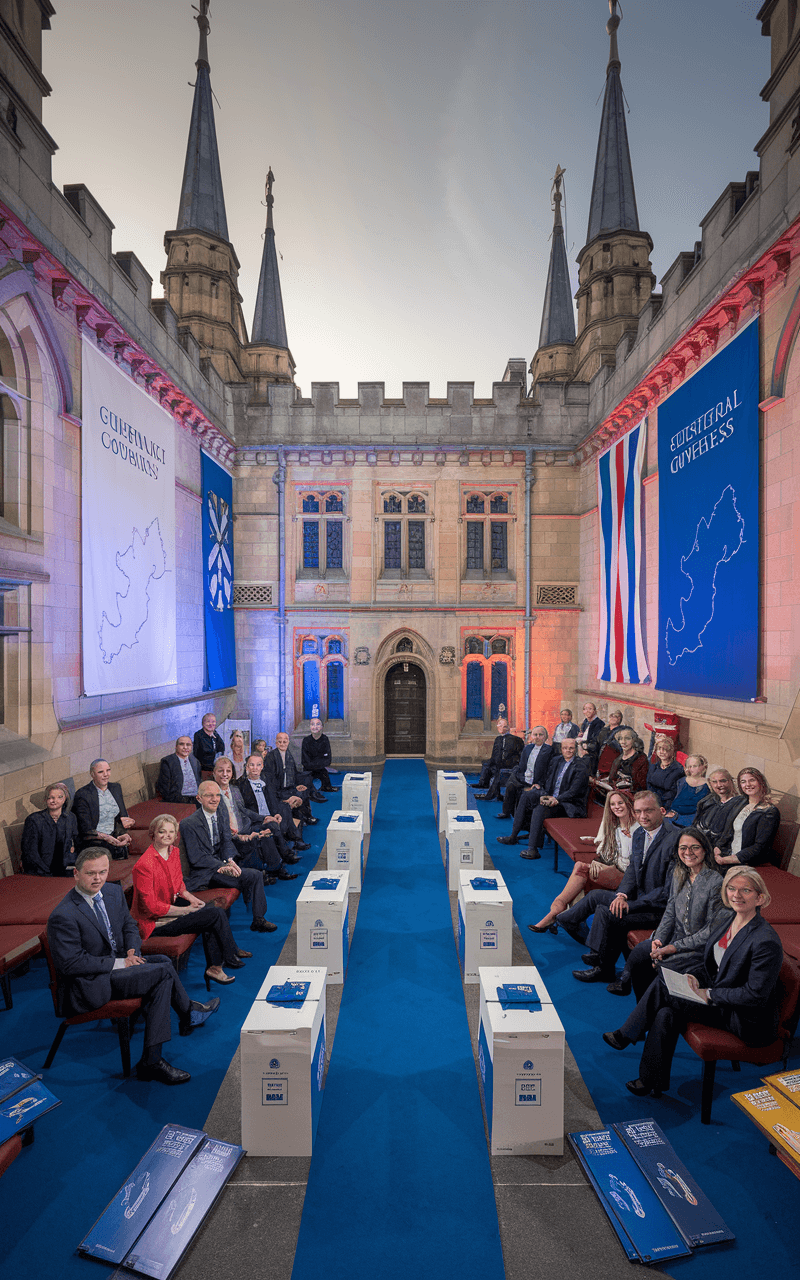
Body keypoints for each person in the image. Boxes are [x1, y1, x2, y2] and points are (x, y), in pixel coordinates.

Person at [603, 867, 783, 1100]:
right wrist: (696, 978)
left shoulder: (765, 941)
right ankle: (651, 1080)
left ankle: (627, 1033)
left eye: (745, 890)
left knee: (663, 988)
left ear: (760, 898)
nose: (736, 894)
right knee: (666, 1011)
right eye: (731, 888)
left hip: (745, 1017)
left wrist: (708, 993)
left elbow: (754, 996)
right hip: (721, 997)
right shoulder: (730, 919)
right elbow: (715, 965)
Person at [47, 847, 219, 1084]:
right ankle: (183, 1018)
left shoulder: (112, 892)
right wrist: (120, 962)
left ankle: (153, 1058)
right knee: (162, 972)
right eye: (91, 873)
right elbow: (71, 964)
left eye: (103, 872)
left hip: (118, 964)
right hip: (91, 981)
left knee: (162, 964)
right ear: (76, 874)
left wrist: (132, 950)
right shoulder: (63, 915)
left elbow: (129, 925)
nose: (98, 878)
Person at [570, 791, 679, 984]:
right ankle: (603, 965)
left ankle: (602, 963)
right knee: (607, 905)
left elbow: (666, 890)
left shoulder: (675, 839)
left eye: (648, 811)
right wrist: (621, 894)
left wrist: (632, 904)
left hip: (661, 908)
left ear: (662, 811)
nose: (642, 816)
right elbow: (631, 871)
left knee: (609, 913)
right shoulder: (639, 834)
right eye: (638, 812)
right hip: (641, 898)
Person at [131, 814, 249, 988]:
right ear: (153, 834)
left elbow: (179, 885)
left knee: (211, 910)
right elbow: (151, 907)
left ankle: (217, 965)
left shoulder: (173, 852)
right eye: (162, 832)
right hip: (154, 921)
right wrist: (186, 910)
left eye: (171, 832)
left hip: (171, 905)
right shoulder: (144, 865)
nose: (167, 835)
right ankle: (227, 956)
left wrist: (193, 900)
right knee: (214, 914)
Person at [609, 826, 722, 999]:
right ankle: (643, 1005)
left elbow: (709, 931)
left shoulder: (715, 882)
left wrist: (671, 948)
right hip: (673, 937)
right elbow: (670, 910)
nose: (688, 852)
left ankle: (653, 1011)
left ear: (705, 850)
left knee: (660, 965)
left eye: (695, 847)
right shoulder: (679, 873)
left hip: (696, 949)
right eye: (683, 848)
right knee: (641, 953)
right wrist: (659, 939)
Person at [529, 790, 638, 933]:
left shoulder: (637, 829)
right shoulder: (615, 826)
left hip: (627, 876)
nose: (616, 807)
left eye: (620, 803)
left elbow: (631, 863)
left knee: (583, 870)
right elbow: (607, 851)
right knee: (580, 867)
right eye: (612, 804)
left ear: (628, 804)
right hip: (613, 867)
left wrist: (605, 866)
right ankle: (559, 912)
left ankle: (556, 912)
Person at [180, 782, 277, 933]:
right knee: (251, 876)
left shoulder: (221, 813)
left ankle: (258, 919)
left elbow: (226, 841)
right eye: (209, 795)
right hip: (205, 872)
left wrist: (230, 860)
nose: (215, 799)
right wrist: (222, 866)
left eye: (217, 795)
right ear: (199, 798)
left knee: (254, 875)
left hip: (221, 863)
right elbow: (197, 858)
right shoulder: (189, 823)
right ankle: (247, 921)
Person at [497, 737, 590, 860]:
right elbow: (547, 777)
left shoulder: (581, 766)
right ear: (561, 749)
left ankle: (532, 849)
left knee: (540, 808)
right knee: (527, 795)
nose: (568, 751)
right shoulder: (557, 760)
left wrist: (556, 799)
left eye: (571, 748)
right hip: (550, 795)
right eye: (565, 748)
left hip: (567, 804)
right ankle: (513, 836)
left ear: (576, 749)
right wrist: (539, 786)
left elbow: (574, 791)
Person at [212, 757, 299, 880]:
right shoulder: (211, 793)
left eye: (228, 771)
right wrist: (237, 835)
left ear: (232, 773)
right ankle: (275, 868)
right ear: (214, 773)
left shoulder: (234, 790)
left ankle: (275, 867)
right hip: (232, 835)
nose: (225, 774)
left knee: (268, 830)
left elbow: (243, 810)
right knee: (262, 836)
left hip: (245, 826)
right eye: (221, 771)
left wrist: (264, 818)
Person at [237, 752, 311, 848]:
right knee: (285, 814)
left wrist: (289, 797)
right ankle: (294, 840)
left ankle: (295, 838)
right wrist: (263, 818)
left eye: (258, 765)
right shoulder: (241, 785)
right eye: (251, 765)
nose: (255, 768)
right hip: (257, 816)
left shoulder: (266, 778)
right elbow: (244, 809)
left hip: (271, 811)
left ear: (262, 766)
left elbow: (276, 794)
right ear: (247, 767)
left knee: (285, 806)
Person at [714, 767, 780, 867]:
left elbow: (759, 847)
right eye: (743, 782)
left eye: (752, 780)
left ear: (761, 782)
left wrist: (727, 860)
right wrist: (718, 847)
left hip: (748, 862)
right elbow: (728, 830)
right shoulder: (741, 802)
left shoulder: (769, 811)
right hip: (728, 854)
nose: (748, 785)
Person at [73, 760, 136, 857]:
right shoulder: (83, 794)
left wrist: (124, 832)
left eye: (108, 770)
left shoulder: (116, 788)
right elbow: (85, 829)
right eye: (100, 772)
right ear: (92, 774)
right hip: (93, 840)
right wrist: (108, 838)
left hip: (113, 834)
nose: (106, 774)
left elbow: (121, 816)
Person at [20, 783, 79, 876]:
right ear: (45, 799)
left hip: (64, 867)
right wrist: (46, 872)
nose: (54, 801)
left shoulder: (70, 818)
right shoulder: (34, 820)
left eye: (59, 797)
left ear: (64, 799)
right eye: (50, 797)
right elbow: (31, 853)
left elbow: (77, 842)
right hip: (41, 870)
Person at [495, 726, 553, 820]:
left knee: (517, 786)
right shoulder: (528, 748)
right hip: (524, 777)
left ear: (545, 737)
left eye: (540, 735)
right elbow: (522, 765)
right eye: (535, 734)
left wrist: (540, 783)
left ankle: (519, 818)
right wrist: (520, 776)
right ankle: (506, 812)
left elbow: (549, 771)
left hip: (536, 781)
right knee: (510, 784)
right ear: (531, 736)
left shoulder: (549, 750)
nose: (537, 737)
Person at [265, 732, 319, 818]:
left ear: (288, 742)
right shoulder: (270, 756)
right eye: (279, 742)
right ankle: (299, 817)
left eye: (284, 741)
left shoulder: (289, 754)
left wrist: (297, 785)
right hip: (278, 791)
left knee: (303, 789)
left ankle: (306, 816)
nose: (282, 744)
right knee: (297, 795)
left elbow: (294, 773)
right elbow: (270, 780)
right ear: (276, 743)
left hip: (290, 787)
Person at [473, 718, 525, 799]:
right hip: (499, 763)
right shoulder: (498, 739)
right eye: (500, 726)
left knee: (498, 771)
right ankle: (483, 784)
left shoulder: (516, 740)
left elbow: (520, 755)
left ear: (508, 728)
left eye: (504, 726)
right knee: (487, 764)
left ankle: (490, 795)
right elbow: (495, 754)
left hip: (510, 765)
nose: (501, 728)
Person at [695, 768, 741, 842]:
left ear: (731, 781)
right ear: (710, 783)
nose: (719, 785)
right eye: (714, 782)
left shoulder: (739, 803)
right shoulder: (707, 801)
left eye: (723, 781)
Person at [665, 754, 710, 827]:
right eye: (689, 766)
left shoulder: (708, 784)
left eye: (695, 766)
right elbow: (674, 799)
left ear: (703, 767)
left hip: (693, 818)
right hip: (674, 815)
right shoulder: (681, 781)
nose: (691, 769)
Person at [156, 736, 201, 803]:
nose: (185, 747)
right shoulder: (168, 761)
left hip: (197, 797)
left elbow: (199, 781)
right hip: (180, 799)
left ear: (191, 747)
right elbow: (164, 788)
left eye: (188, 745)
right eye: (181, 744)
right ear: (176, 746)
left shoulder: (195, 761)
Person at [646, 736, 685, 808]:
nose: (661, 752)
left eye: (664, 749)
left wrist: (659, 802)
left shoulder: (677, 769)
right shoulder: (654, 765)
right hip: (652, 800)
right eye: (659, 749)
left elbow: (672, 792)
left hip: (668, 804)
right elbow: (648, 783)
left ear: (671, 751)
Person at [302, 718, 338, 793]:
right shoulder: (306, 740)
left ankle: (326, 787)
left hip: (321, 769)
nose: (315, 727)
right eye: (312, 724)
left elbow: (327, 760)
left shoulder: (325, 739)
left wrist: (318, 765)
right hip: (308, 770)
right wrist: (316, 764)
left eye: (318, 724)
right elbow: (305, 760)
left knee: (325, 781)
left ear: (322, 727)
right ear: (309, 727)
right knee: (306, 789)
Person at [577, 702, 605, 770]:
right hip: (583, 749)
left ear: (595, 711)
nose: (587, 711)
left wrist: (585, 747)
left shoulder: (599, 723)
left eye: (590, 709)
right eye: (585, 709)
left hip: (592, 754)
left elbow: (596, 742)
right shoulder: (585, 722)